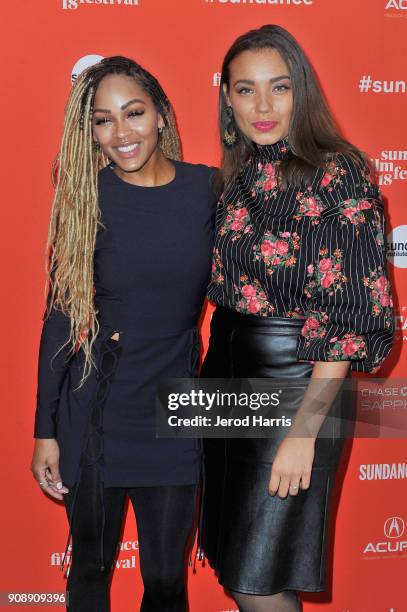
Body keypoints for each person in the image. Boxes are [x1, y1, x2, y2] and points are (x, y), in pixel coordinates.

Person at [200, 25, 394, 612]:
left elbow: (351, 313)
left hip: (300, 381)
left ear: (300, 92)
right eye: (246, 90)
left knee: (260, 580)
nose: (262, 106)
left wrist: (304, 432)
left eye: (278, 88)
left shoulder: (340, 173)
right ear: (227, 100)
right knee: (238, 567)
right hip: (225, 373)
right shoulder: (235, 178)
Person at [30, 56, 217, 612]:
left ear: (159, 113)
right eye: (103, 120)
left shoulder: (208, 189)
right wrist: (45, 429)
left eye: (133, 113)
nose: (122, 133)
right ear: (89, 132)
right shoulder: (87, 203)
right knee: (89, 572)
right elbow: (60, 320)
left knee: (164, 582)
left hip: (176, 411)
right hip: (95, 415)